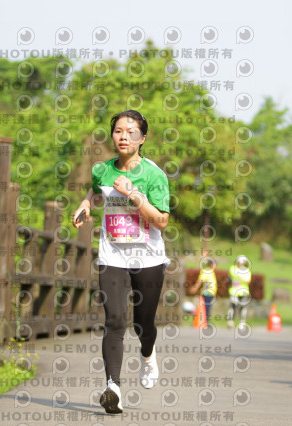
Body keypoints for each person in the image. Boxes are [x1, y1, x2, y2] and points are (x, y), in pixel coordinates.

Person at [72, 110, 170, 415]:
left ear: (142, 138)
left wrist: (135, 195)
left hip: (148, 257)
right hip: (112, 254)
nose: (123, 136)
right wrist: (86, 203)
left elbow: (161, 221)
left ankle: (148, 354)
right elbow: (96, 189)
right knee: (115, 319)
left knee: (143, 324)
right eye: (118, 131)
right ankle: (112, 388)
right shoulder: (102, 170)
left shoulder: (154, 175)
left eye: (131, 132)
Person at [227, 255, 252, 328]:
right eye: (238, 262)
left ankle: (242, 322)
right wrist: (242, 278)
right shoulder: (233, 268)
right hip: (234, 291)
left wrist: (240, 278)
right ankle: (230, 321)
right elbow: (234, 275)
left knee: (242, 308)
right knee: (233, 306)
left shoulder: (247, 271)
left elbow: (248, 281)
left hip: (244, 292)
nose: (239, 264)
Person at [194, 258, 217, 324]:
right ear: (211, 264)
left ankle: (206, 321)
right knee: (206, 308)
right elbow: (200, 280)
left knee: (208, 308)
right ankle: (205, 322)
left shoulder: (211, 272)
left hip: (211, 293)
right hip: (207, 293)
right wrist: (195, 288)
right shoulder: (206, 271)